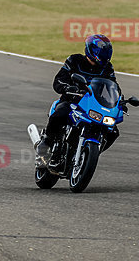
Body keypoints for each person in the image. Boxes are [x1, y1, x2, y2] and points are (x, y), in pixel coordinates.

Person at [36, 34, 120, 166]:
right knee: (61, 112)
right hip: (72, 100)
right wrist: (67, 87)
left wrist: (118, 100)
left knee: (113, 130)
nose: (104, 56)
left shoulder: (107, 68)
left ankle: (91, 154)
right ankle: (45, 143)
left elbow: (113, 87)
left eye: (106, 53)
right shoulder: (75, 60)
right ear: (91, 50)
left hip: (92, 104)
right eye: (102, 53)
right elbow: (59, 79)